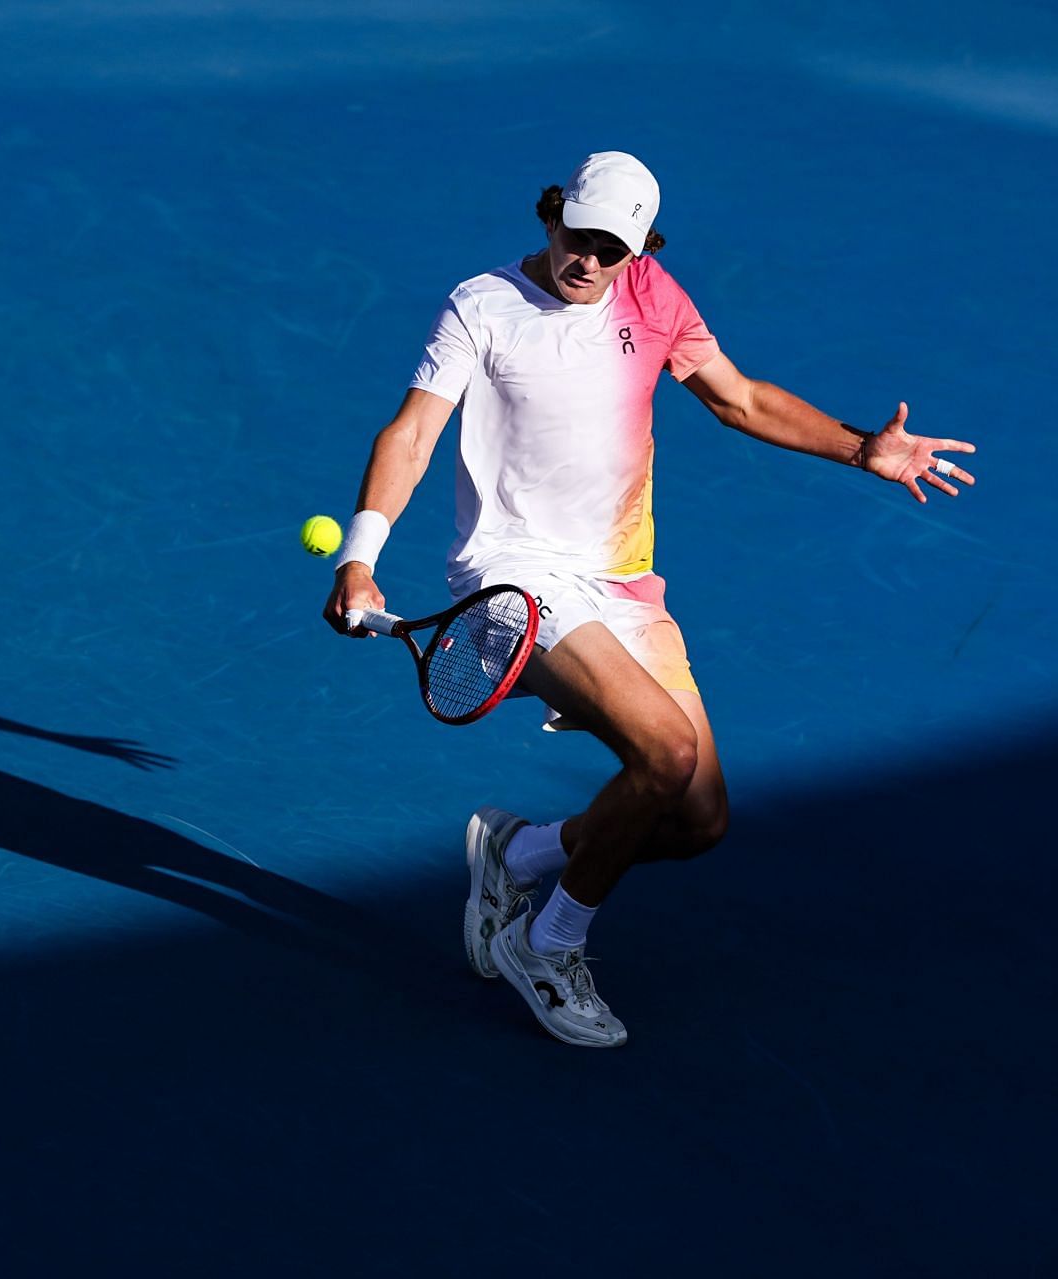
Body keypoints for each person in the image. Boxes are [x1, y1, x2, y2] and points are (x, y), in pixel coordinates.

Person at [322, 152, 976, 1048]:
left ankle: (516, 854)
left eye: (612, 248)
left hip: (622, 579)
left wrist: (864, 448)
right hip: (517, 571)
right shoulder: (482, 305)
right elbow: (413, 431)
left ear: (640, 248)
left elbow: (738, 399)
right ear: (552, 216)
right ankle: (545, 944)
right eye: (577, 236)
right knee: (662, 751)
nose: (589, 260)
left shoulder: (653, 298)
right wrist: (362, 553)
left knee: (697, 818)